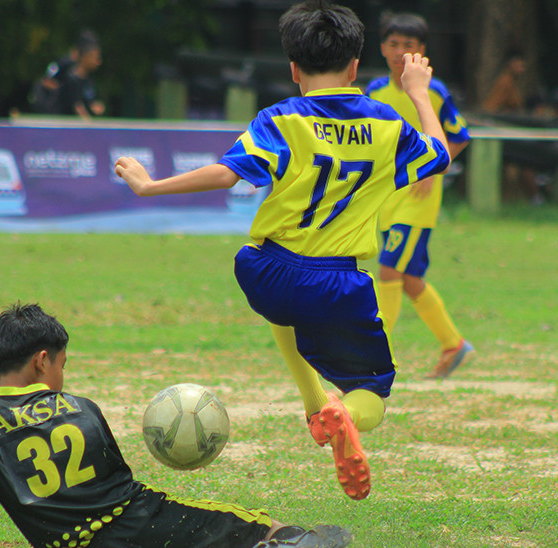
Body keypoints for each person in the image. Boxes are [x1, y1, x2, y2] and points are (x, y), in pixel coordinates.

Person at [114, 0, 451, 501]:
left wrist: (150, 185)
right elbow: (440, 154)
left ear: (294, 70)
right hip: (338, 283)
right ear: (356, 66)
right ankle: (341, 414)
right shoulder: (386, 125)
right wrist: (419, 95)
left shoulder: (282, 118)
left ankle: (314, 403)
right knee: (373, 393)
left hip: (264, 269)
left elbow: (227, 173)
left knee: (283, 305)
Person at [0, 304, 394, 548]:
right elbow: (119, 486)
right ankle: (299, 546)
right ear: (43, 362)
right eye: (62, 363)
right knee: (248, 527)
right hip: (139, 520)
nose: (65, 374)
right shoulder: (80, 406)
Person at [365, 12, 472, 378]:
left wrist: (432, 167)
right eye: (393, 44)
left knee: (388, 270)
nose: (399, 52)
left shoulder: (434, 92)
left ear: (421, 52)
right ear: (382, 48)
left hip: (418, 197)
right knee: (409, 280)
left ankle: (379, 355)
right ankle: (453, 344)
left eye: (407, 46)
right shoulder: (374, 92)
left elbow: (459, 136)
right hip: (388, 196)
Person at [56, 34, 105, 120]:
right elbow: (76, 106)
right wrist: (89, 124)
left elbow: (88, 102)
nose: (98, 62)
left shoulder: (89, 81)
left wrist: (95, 106)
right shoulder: (70, 79)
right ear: (85, 57)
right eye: (95, 58)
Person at [481, 49, 526, 114]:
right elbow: (493, 106)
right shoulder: (505, 81)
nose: (522, 70)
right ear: (512, 64)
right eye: (521, 66)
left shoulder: (511, 81)